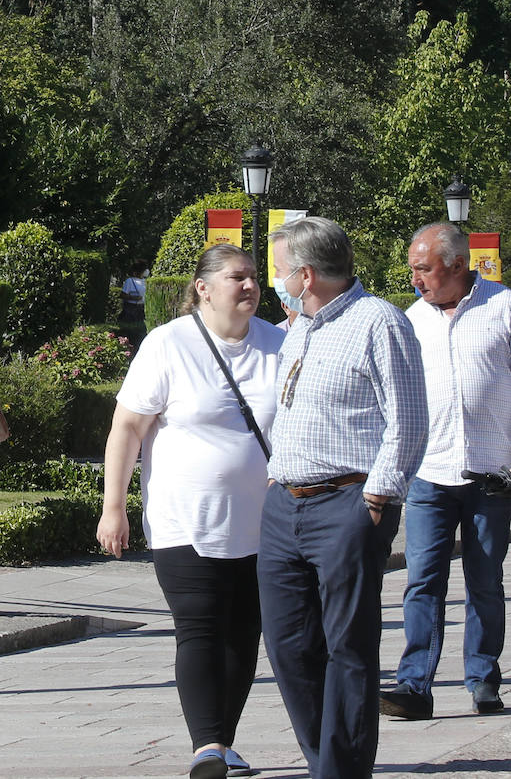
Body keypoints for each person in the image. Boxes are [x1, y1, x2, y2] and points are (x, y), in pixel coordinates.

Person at [97, 244, 284, 779]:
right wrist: (115, 507)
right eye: (236, 278)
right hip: (185, 517)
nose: (249, 287)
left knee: (244, 631)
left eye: (252, 278)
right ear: (203, 287)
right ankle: (206, 746)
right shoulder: (167, 344)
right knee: (199, 627)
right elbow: (127, 429)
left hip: (263, 520)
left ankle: (223, 741)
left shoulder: (280, 343)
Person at [258, 216, 428, 779]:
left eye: (280, 271)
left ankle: (342, 771)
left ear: (305, 275)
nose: (275, 280)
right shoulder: (301, 326)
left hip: (347, 503)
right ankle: (324, 759)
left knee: (348, 648)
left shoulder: (379, 322)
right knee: (288, 646)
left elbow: (408, 422)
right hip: (285, 504)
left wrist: (377, 499)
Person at [380, 223, 511, 720]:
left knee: (484, 580)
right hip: (428, 471)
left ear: (458, 265)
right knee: (421, 582)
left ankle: (483, 679)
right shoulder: (410, 319)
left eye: (423, 267)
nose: (415, 277)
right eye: (413, 267)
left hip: (491, 470)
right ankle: (414, 686)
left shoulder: (505, 306)